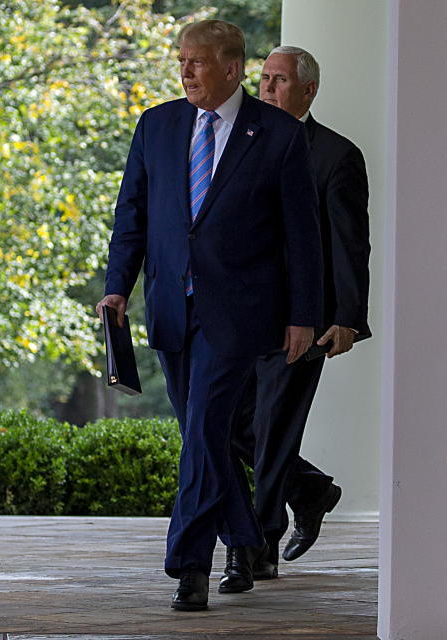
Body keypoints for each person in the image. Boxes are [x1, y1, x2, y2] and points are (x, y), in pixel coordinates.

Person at [95, 20, 323, 611]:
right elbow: (132, 217)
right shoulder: (157, 125)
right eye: (181, 61)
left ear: (231, 68)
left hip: (240, 313)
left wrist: (303, 315)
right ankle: (245, 541)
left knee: (202, 429)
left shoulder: (276, 134)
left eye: (197, 62)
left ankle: (189, 565)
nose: (185, 72)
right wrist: (117, 287)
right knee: (207, 437)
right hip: (171, 306)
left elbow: (304, 236)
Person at [227, 45, 371, 581]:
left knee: (273, 427)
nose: (266, 89)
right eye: (263, 79)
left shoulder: (336, 155)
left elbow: (350, 243)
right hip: (240, 317)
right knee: (226, 425)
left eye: (279, 80)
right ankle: (308, 490)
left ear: (308, 90)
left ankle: (255, 548)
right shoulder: (237, 144)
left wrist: (348, 316)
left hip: (304, 320)